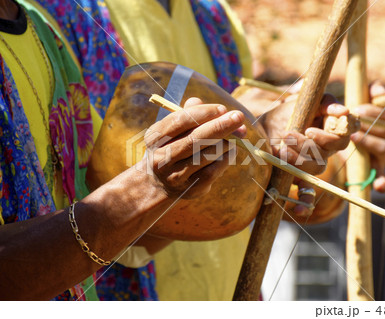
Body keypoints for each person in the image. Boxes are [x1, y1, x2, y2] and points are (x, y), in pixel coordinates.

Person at [32, 0, 385, 301]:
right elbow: (82, 217)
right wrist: (256, 137)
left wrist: (343, 156)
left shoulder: (215, 20)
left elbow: (252, 195)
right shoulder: (50, 17)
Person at [0, 0, 249, 300]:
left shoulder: (43, 32)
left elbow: (128, 244)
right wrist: (150, 184)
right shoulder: (64, 13)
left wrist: (183, 179)